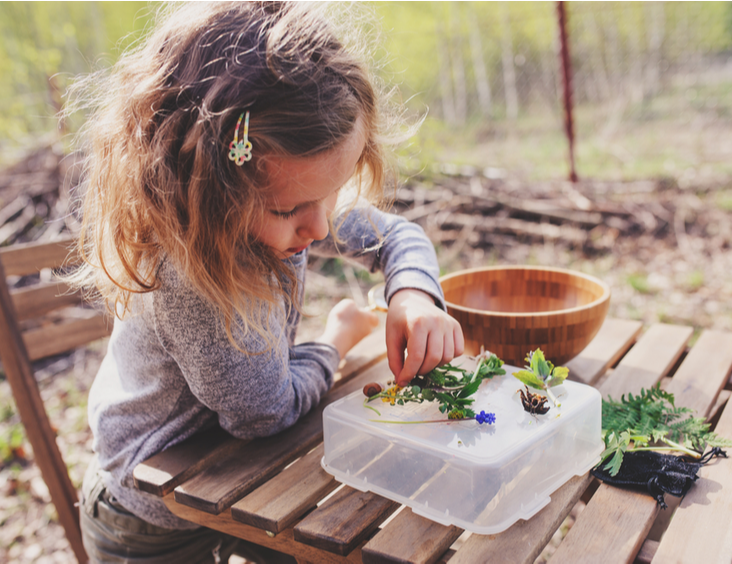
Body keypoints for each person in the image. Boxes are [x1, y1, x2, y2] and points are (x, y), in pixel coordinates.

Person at [68, 2, 463, 562]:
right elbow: (265, 413)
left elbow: (397, 236)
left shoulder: (283, 193)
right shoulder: (191, 281)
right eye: (293, 210)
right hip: (156, 517)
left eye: (332, 194)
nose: (323, 226)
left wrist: (415, 296)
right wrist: (336, 341)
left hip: (237, 475)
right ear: (211, 193)